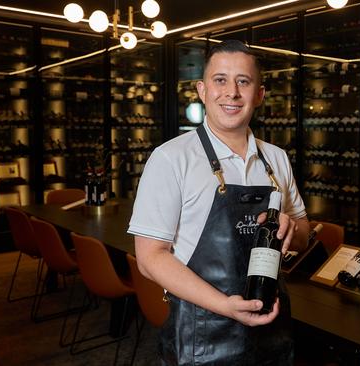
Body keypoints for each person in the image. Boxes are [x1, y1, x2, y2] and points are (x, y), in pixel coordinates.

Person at [128, 40, 309, 365]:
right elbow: (149, 258)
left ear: (260, 93)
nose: (232, 92)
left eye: (244, 81)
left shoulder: (277, 159)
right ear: (202, 89)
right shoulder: (171, 158)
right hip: (201, 334)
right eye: (220, 80)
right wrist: (225, 305)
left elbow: (305, 234)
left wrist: (291, 229)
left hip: (273, 329)